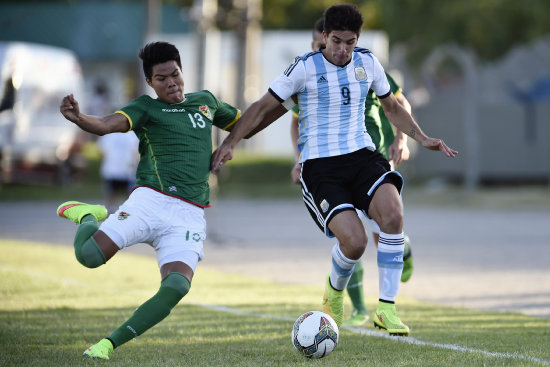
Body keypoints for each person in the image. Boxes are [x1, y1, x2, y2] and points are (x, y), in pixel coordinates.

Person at [211, 4, 457, 336]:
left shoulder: (368, 62)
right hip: (321, 168)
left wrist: (421, 137)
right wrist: (231, 143)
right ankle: (334, 294)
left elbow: (392, 106)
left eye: (350, 42)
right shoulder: (303, 68)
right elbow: (262, 108)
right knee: (355, 243)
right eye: (337, 41)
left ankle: (386, 309)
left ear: (357, 40)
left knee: (394, 216)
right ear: (324, 37)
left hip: (362, 156)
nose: (343, 50)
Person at [57, 41, 245, 360]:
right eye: (162, 78)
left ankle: (107, 345)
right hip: (150, 202)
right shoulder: (146, 107)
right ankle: (88, 215)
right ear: (150, 82)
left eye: (175, 74)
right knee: (88, 257)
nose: (171, 82)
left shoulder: (206, 102)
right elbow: (105, 125)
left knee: (177, 287)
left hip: (190, 214)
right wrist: (80, 119)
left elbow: (246, 120)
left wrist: (229, 143)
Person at [289, 18, 415, 327]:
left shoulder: (364, 67)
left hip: (371, 158)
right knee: (352, 235)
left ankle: (390, 284)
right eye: (320, 46)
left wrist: (403, 139)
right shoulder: (310, 75)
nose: (328, 52)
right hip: (328, 166)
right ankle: (357, 307)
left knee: (382, 228)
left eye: (343, 44)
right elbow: (295, 121)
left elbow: (400, 104)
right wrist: (300, 158)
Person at [97, 131, 139, 213]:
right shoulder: (109, 133)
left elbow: (136, 150)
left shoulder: (131, 134)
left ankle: (126, 212)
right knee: (112, 193)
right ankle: (112, 211)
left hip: (125, 169)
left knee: (127, 193)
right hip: (113, 169)